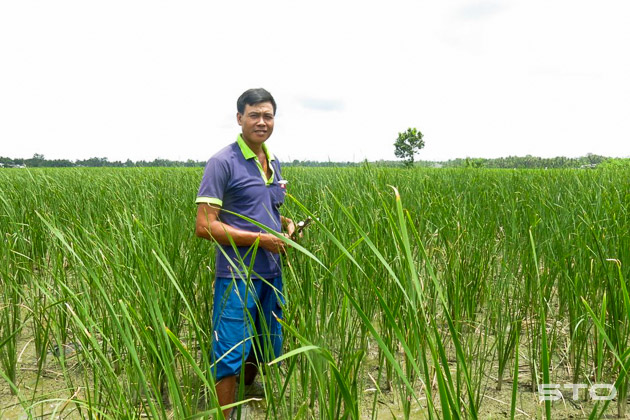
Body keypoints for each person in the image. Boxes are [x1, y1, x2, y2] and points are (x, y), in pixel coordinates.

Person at [195, 88, 295, 418]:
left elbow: (266, 210)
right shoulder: (222, 162)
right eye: (254, 115)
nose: (261, 122)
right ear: (240, 119)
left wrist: (286, 224)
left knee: (265, 343)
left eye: (268, 115)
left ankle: (248, 397)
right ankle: (226, 414)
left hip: (272, 271)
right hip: (237, 274)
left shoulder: (274, 162)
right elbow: (206, 225)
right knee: (230, 350)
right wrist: (261, 240)